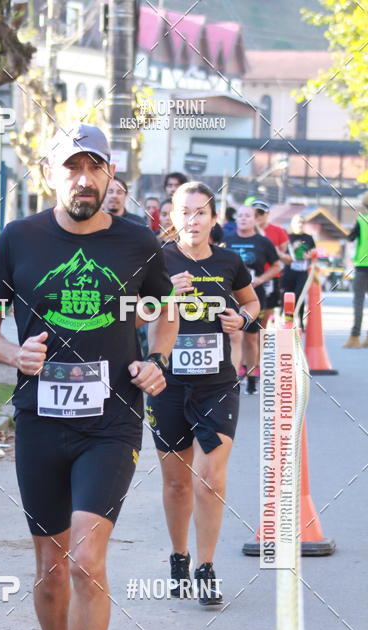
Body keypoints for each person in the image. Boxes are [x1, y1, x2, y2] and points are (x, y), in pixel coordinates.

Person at [0, 124, 178, 630]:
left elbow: (163, 312)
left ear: (109, 176)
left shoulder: (137, 243)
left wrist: (157, 360)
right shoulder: (19, 239)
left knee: (88, 560)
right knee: (51, 570)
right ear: (51, 174)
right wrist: (15, 354)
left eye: (95, 169)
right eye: (72, 169)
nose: (84, 180)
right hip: (39, 421)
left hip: (112, 421)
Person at [146, 182, 260, 605]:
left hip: (216, 382)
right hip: (167, 382)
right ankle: (179, 556)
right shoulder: (157, 260)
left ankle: (206, 567)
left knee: (210, 479)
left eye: (200, 212)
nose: (192, 220)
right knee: (177, 483)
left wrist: (241, 319)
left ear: (214, 218)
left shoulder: (230, 261)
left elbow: (252, 303)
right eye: (184, 212)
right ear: (172, 217)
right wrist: (163, 297)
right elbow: (132, 314)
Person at [225, 204, 280, 394]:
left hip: (253, 296)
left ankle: (251, 379)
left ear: (255, 219)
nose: (243, 219)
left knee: (251, 338)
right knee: (233, 335)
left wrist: (260, 279)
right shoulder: (227, 240)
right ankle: (231, 378)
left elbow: (277, 266)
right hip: (230, 295)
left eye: (247, 216)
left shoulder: (262, 242)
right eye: (240, 216)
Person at [252, 199, 291, 320]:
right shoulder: (243, 230)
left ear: (267, 214)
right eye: (254, 213)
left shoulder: (278, 231)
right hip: (248, 277)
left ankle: (261, 338)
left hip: (270, 277)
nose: (257, 216)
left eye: (261, 213)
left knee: (264, 315)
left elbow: (288, 259)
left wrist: (275, 251)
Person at [281, 214, 316, 330]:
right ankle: (288, 321)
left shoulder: (308, 238)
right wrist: (293, 248)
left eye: (302, 222)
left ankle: (300, 321)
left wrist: (310, 256)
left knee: (299, 295)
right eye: (297, 222)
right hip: (289, 270)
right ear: (292, 224)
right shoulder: (287, 237)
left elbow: (314, 253)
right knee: (288, 296)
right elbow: (282, 254)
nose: (300, 224)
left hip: (302, 271)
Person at [343, 191, 368, 348]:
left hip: (361, 266)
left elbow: (350, 238)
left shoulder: (361, 219)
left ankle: (354, 337)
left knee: (358, 301)